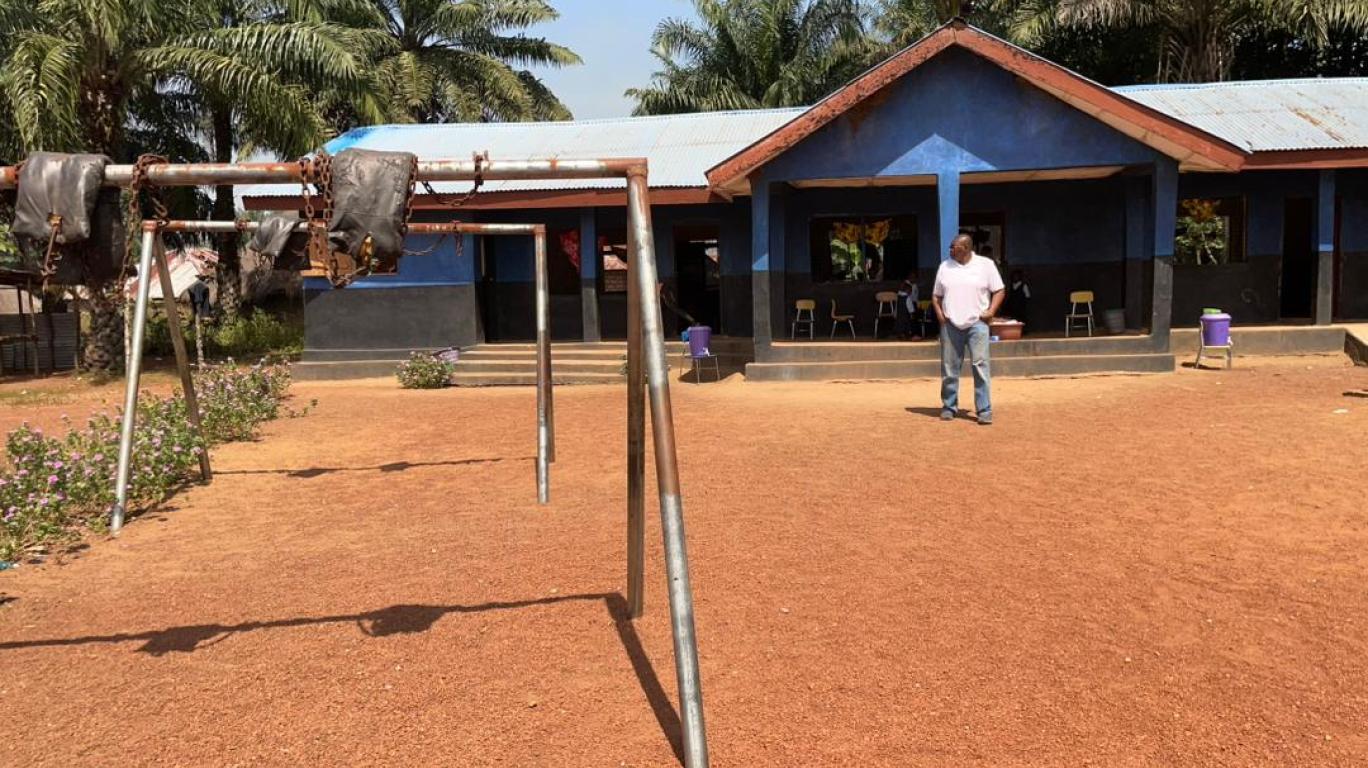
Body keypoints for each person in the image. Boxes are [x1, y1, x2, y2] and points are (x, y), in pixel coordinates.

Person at [932, 234, 1005, 425]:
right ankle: (949, 406)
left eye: (953, 247)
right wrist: (940, 315)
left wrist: (991, 311)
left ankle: (984, 409)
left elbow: (999, 290)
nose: (950, 250)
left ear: (965, 248)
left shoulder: (985, 265)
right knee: (949, 368)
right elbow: (936, 296)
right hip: (951, 325)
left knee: (980, 366)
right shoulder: (944, 267)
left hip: (977, 324)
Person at [895, 269, 921, 340]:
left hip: (900, 315)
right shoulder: (907, 298)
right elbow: (910, 307)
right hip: (906, 314)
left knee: (900, 325)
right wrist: (912, 313)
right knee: (907, 324)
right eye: (910, 291)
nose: (910, 292)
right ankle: (910, 335)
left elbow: (896, 307)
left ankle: (901, 334)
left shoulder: (899, 297)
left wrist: (895, 313)